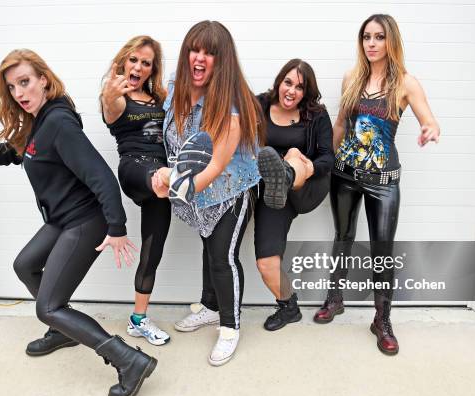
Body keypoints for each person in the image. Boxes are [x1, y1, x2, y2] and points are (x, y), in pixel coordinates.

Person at [0, 49, 157, 396]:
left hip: (86, 221)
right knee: (25, 265)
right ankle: (64, 330)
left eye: (25, 82)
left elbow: (101, 175)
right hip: (63, 219)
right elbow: (23, 152)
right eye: (12, 87)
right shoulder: (39, 121)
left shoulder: (58, 122)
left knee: (48, 306)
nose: (19, 93)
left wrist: (116, 228)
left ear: (44, 79)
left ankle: (128, 360)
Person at [313, 14, 440, 356]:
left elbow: (429, 119)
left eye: (378, 37)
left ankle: (382, 320)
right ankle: (335, 298)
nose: (371, 43)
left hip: (383, 181)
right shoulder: (351, 78)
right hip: (345, 176)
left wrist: (431, 130)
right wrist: (327, 160)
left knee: (382, 252)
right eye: (366, 37)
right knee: (342, 237)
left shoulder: (406, 83)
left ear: (390, 41)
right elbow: (340, 124)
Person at [151, 20, 265, 366]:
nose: (199, 59)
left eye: (209, 53)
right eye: (194, 50)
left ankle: (230, 328)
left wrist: (173, 184)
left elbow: (215, 167)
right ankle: (211, 308)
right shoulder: (175, 89)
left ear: (222, 61)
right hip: (197, 193)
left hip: (231, 191)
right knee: (207, 246)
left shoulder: (231, 108)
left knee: (222, 257)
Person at [100, 35, 171, 346]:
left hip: (163, 182)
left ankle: (138, 319)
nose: (139, 67)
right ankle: (171, 179)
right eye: (134, 60)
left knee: (152, 251)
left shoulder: (159, 98)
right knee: (161, 178)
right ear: (123, 61)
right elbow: (110, 104)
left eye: (146, 63)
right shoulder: (116, 97)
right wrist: (109, 91)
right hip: (134, 169)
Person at [254, 59, 334, 331]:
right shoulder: (260, 105)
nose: (292, 91)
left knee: (292, 154)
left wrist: (306, 167)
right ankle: (289, 307)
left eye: (300, 87)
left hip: (305, 185)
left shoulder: (317, 115)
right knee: (266, 264)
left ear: (306, 92)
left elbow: (328, 158)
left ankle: (285, 172)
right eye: (288, 83)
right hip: (272, 194)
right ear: (279, 82)